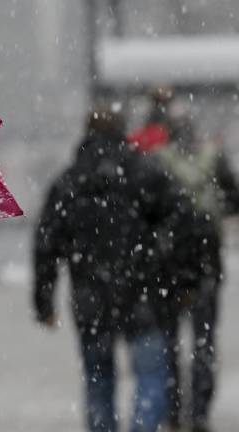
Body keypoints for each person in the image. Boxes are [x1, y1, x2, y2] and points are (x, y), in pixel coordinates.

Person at [33, 100, 193, 432]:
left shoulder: (68, 182)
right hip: (144, 292)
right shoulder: (145, 173)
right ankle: (143, 426)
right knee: (150, 377)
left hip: (91, 297)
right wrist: (183, 278)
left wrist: (44, 300)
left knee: (98, 379)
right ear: (122, 132)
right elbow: (183, 221)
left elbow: (46, 244)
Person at [152, 101, 239, 432]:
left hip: (168, 265)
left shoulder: (158, 162)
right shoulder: (212, 158)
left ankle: (173, 409)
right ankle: (200, 412)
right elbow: (233, 200)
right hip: (206, 261)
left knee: (169, 341)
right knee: (204, 341)